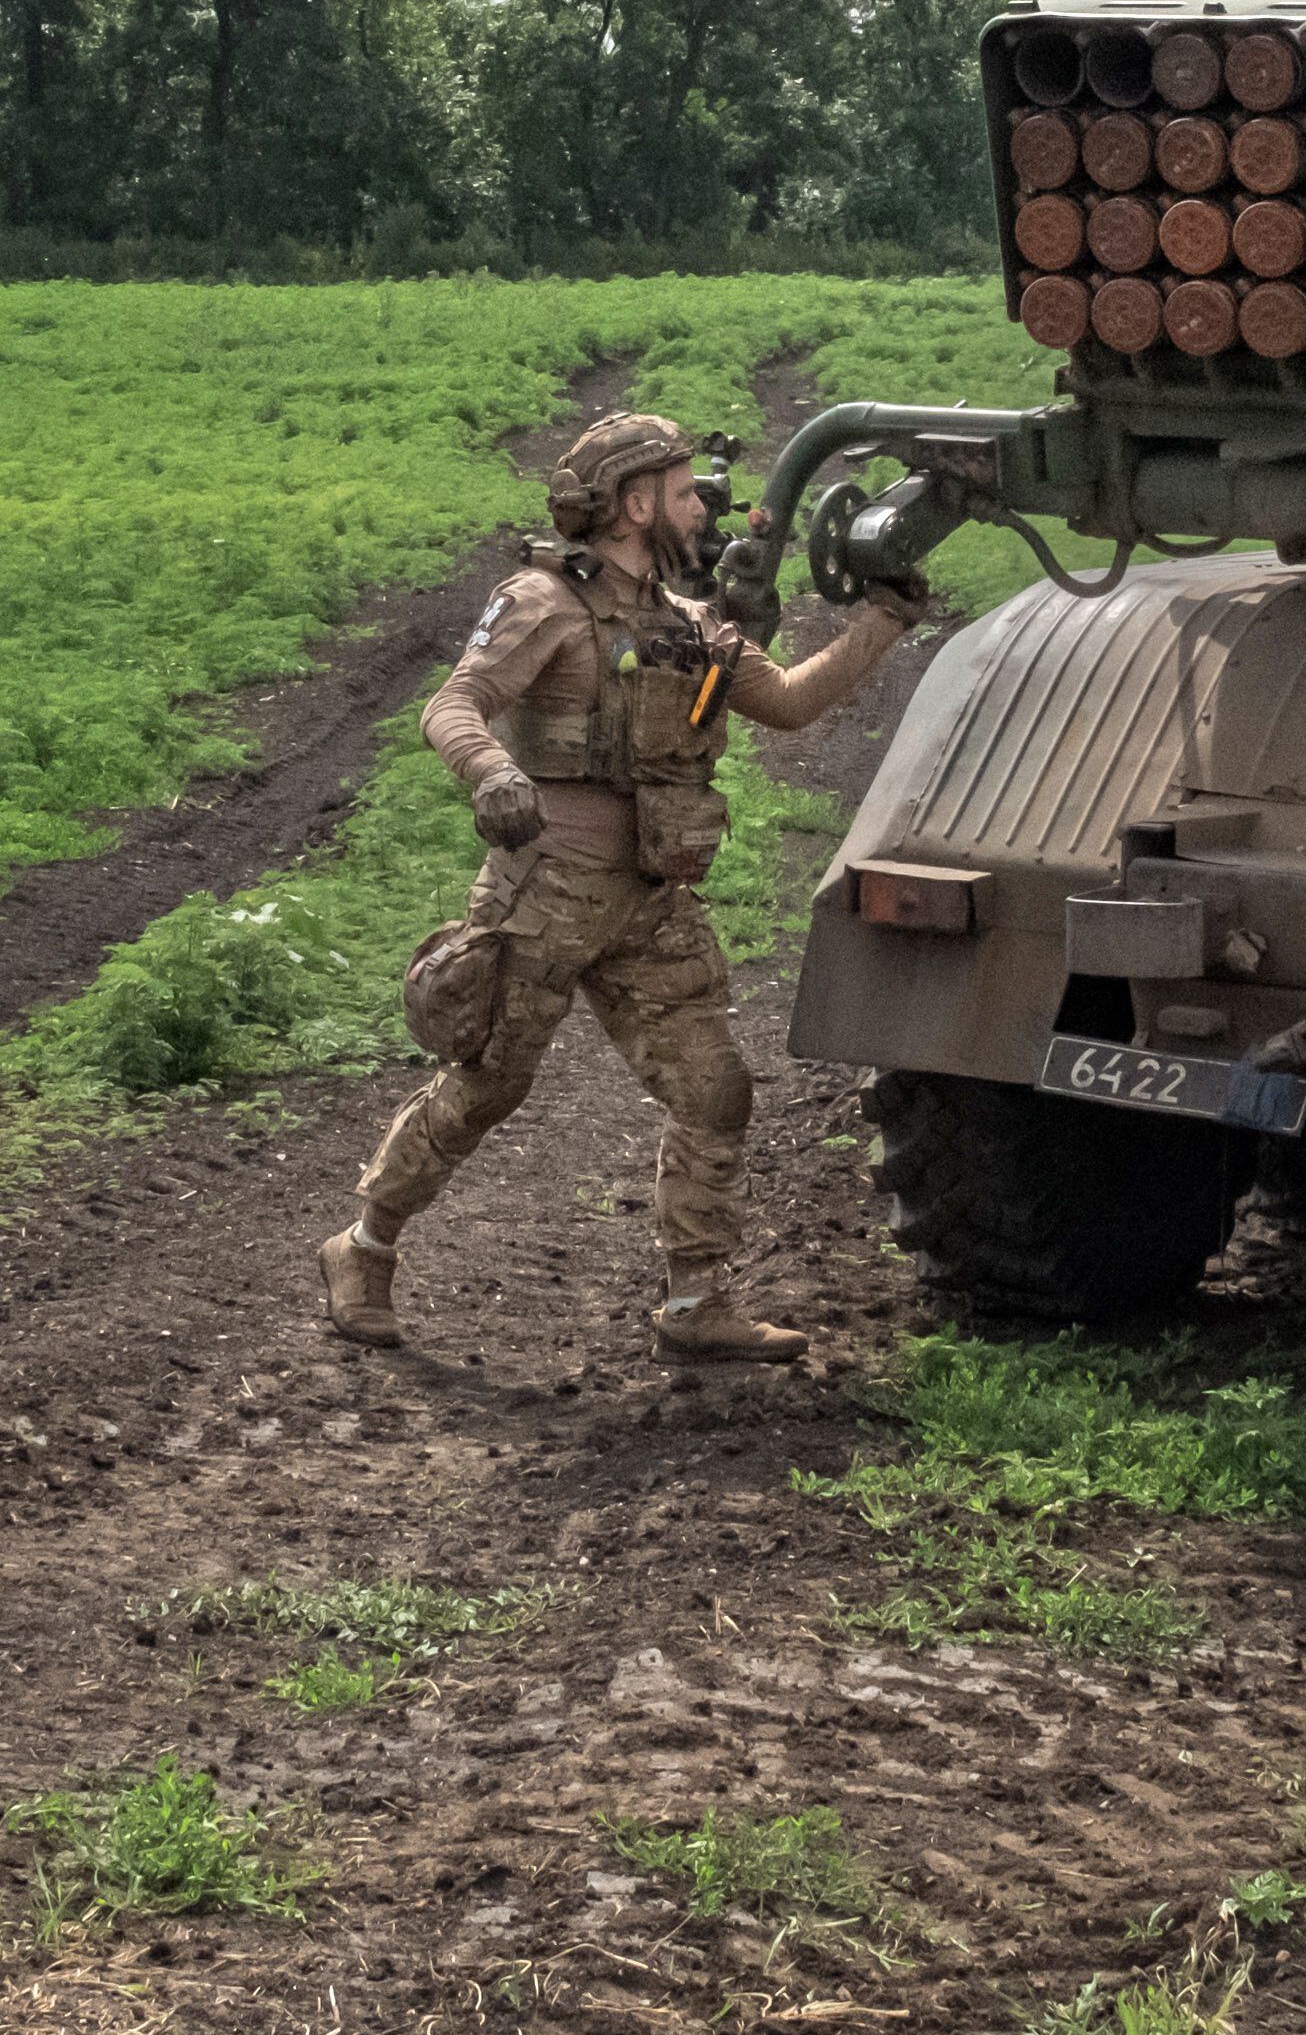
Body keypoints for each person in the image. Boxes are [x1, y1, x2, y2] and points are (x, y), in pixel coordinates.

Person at [315, 412, 919, 1362]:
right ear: (635, 505)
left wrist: (885, 616)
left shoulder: (686, 626)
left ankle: (694, 1305)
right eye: (683, 493)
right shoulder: (541, 602)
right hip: (544, 892)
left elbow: (794, 703)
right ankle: (362, 1248)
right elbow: (453, 703)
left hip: (651, 900)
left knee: (715, 1088)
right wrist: (492, 773)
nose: (701, 506)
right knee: (486, 1087)